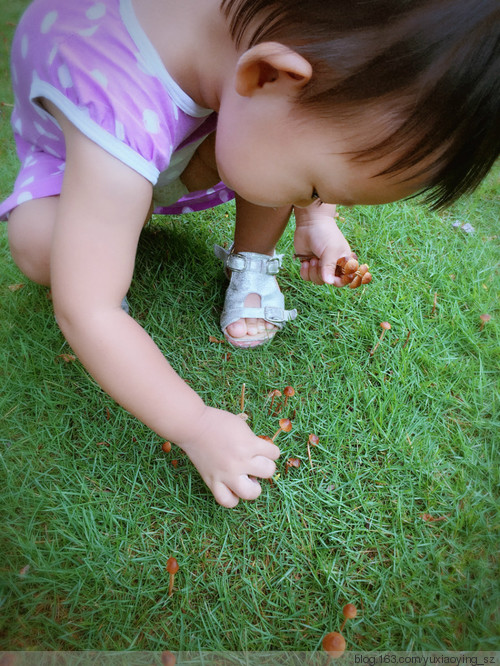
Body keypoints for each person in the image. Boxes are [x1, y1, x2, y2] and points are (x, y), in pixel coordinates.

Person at [1, 0, 498, 507]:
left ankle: (251, 264)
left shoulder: (272, 59)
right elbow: (88, 311)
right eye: (313, 186)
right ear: (267, 75)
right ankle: (110, 226)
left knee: (270, 150)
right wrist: (195, 425)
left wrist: (316, 219)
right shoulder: (114, 97)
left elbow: (297, 119)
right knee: (42, 250)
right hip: (81, 156)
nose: (310, 199)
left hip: (184, 138)